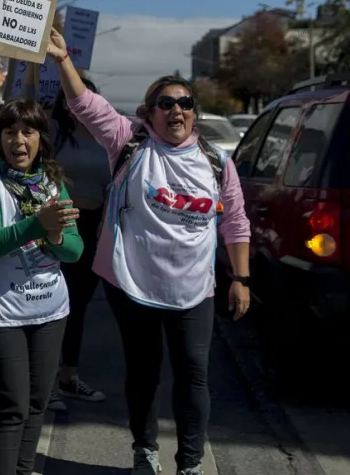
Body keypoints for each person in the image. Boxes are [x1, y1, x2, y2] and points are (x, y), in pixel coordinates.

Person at [45, 28, 251, 475]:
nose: (176, 109)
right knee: (144, 372)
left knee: (194, 373)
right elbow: (86, 106)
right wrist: (63, 62)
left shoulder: (218, 162)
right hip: (132, 284)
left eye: (185, 103)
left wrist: (241, 278)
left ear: (194, 114)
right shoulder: (130, 142)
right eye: (166, 103)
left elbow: (235, 222)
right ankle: (145, 450)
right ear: (149, 113)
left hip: (195, 290)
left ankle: (191, 463)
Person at [0, 100, 83, 475]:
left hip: (51, 310)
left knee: (37, 403)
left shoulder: (53, 183)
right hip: (2, 312)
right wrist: (39, 224)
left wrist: (53, 233)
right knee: (11, 406)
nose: (18, 140)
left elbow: (74, 250)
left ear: (41, 139)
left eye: (28, 132)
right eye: (9, 132)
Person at [47, 77, 110, 410]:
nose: (79, 103)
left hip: (95, 229)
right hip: (60, 226)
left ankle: (68, 377)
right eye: (72, 97)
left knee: (78, 307)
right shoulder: (56, 132)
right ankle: (46, 382)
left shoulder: (107, 137)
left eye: (84, 97)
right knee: (53, 303)